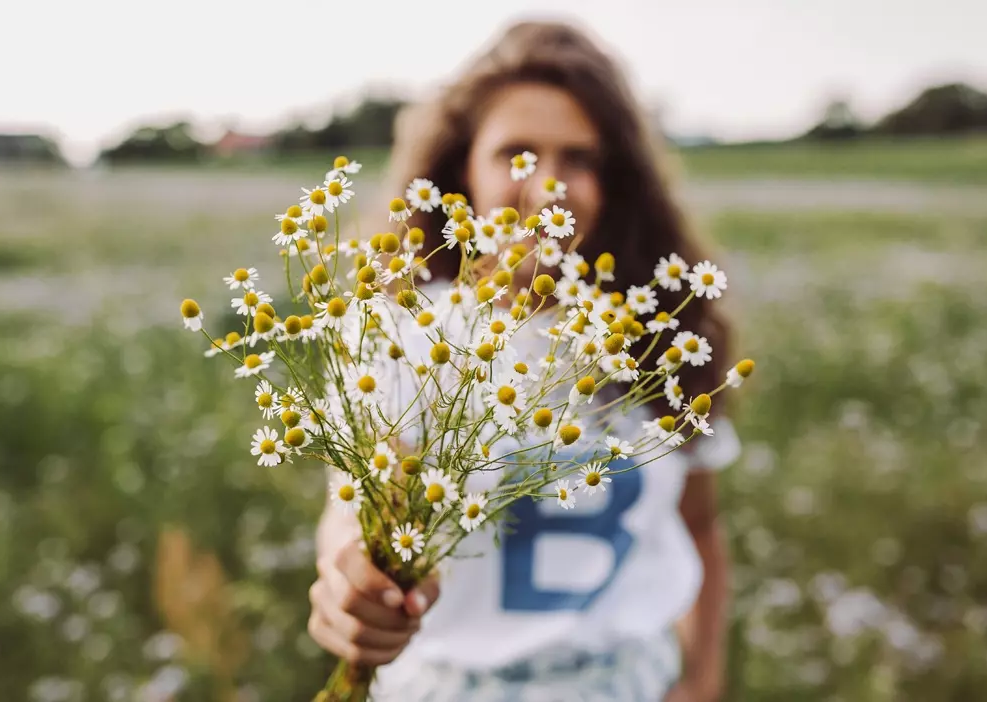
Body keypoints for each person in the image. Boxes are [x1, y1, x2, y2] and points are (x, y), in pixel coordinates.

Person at [308, 19, 740, 702]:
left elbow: (698, 527)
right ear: (461, 175)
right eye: (516, 154)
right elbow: (356, 504)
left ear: (613, 182)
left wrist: (704, 679)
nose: (546, 187)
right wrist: (350, 580)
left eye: (578, 159)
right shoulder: (402, 333)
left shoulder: (660, 344)